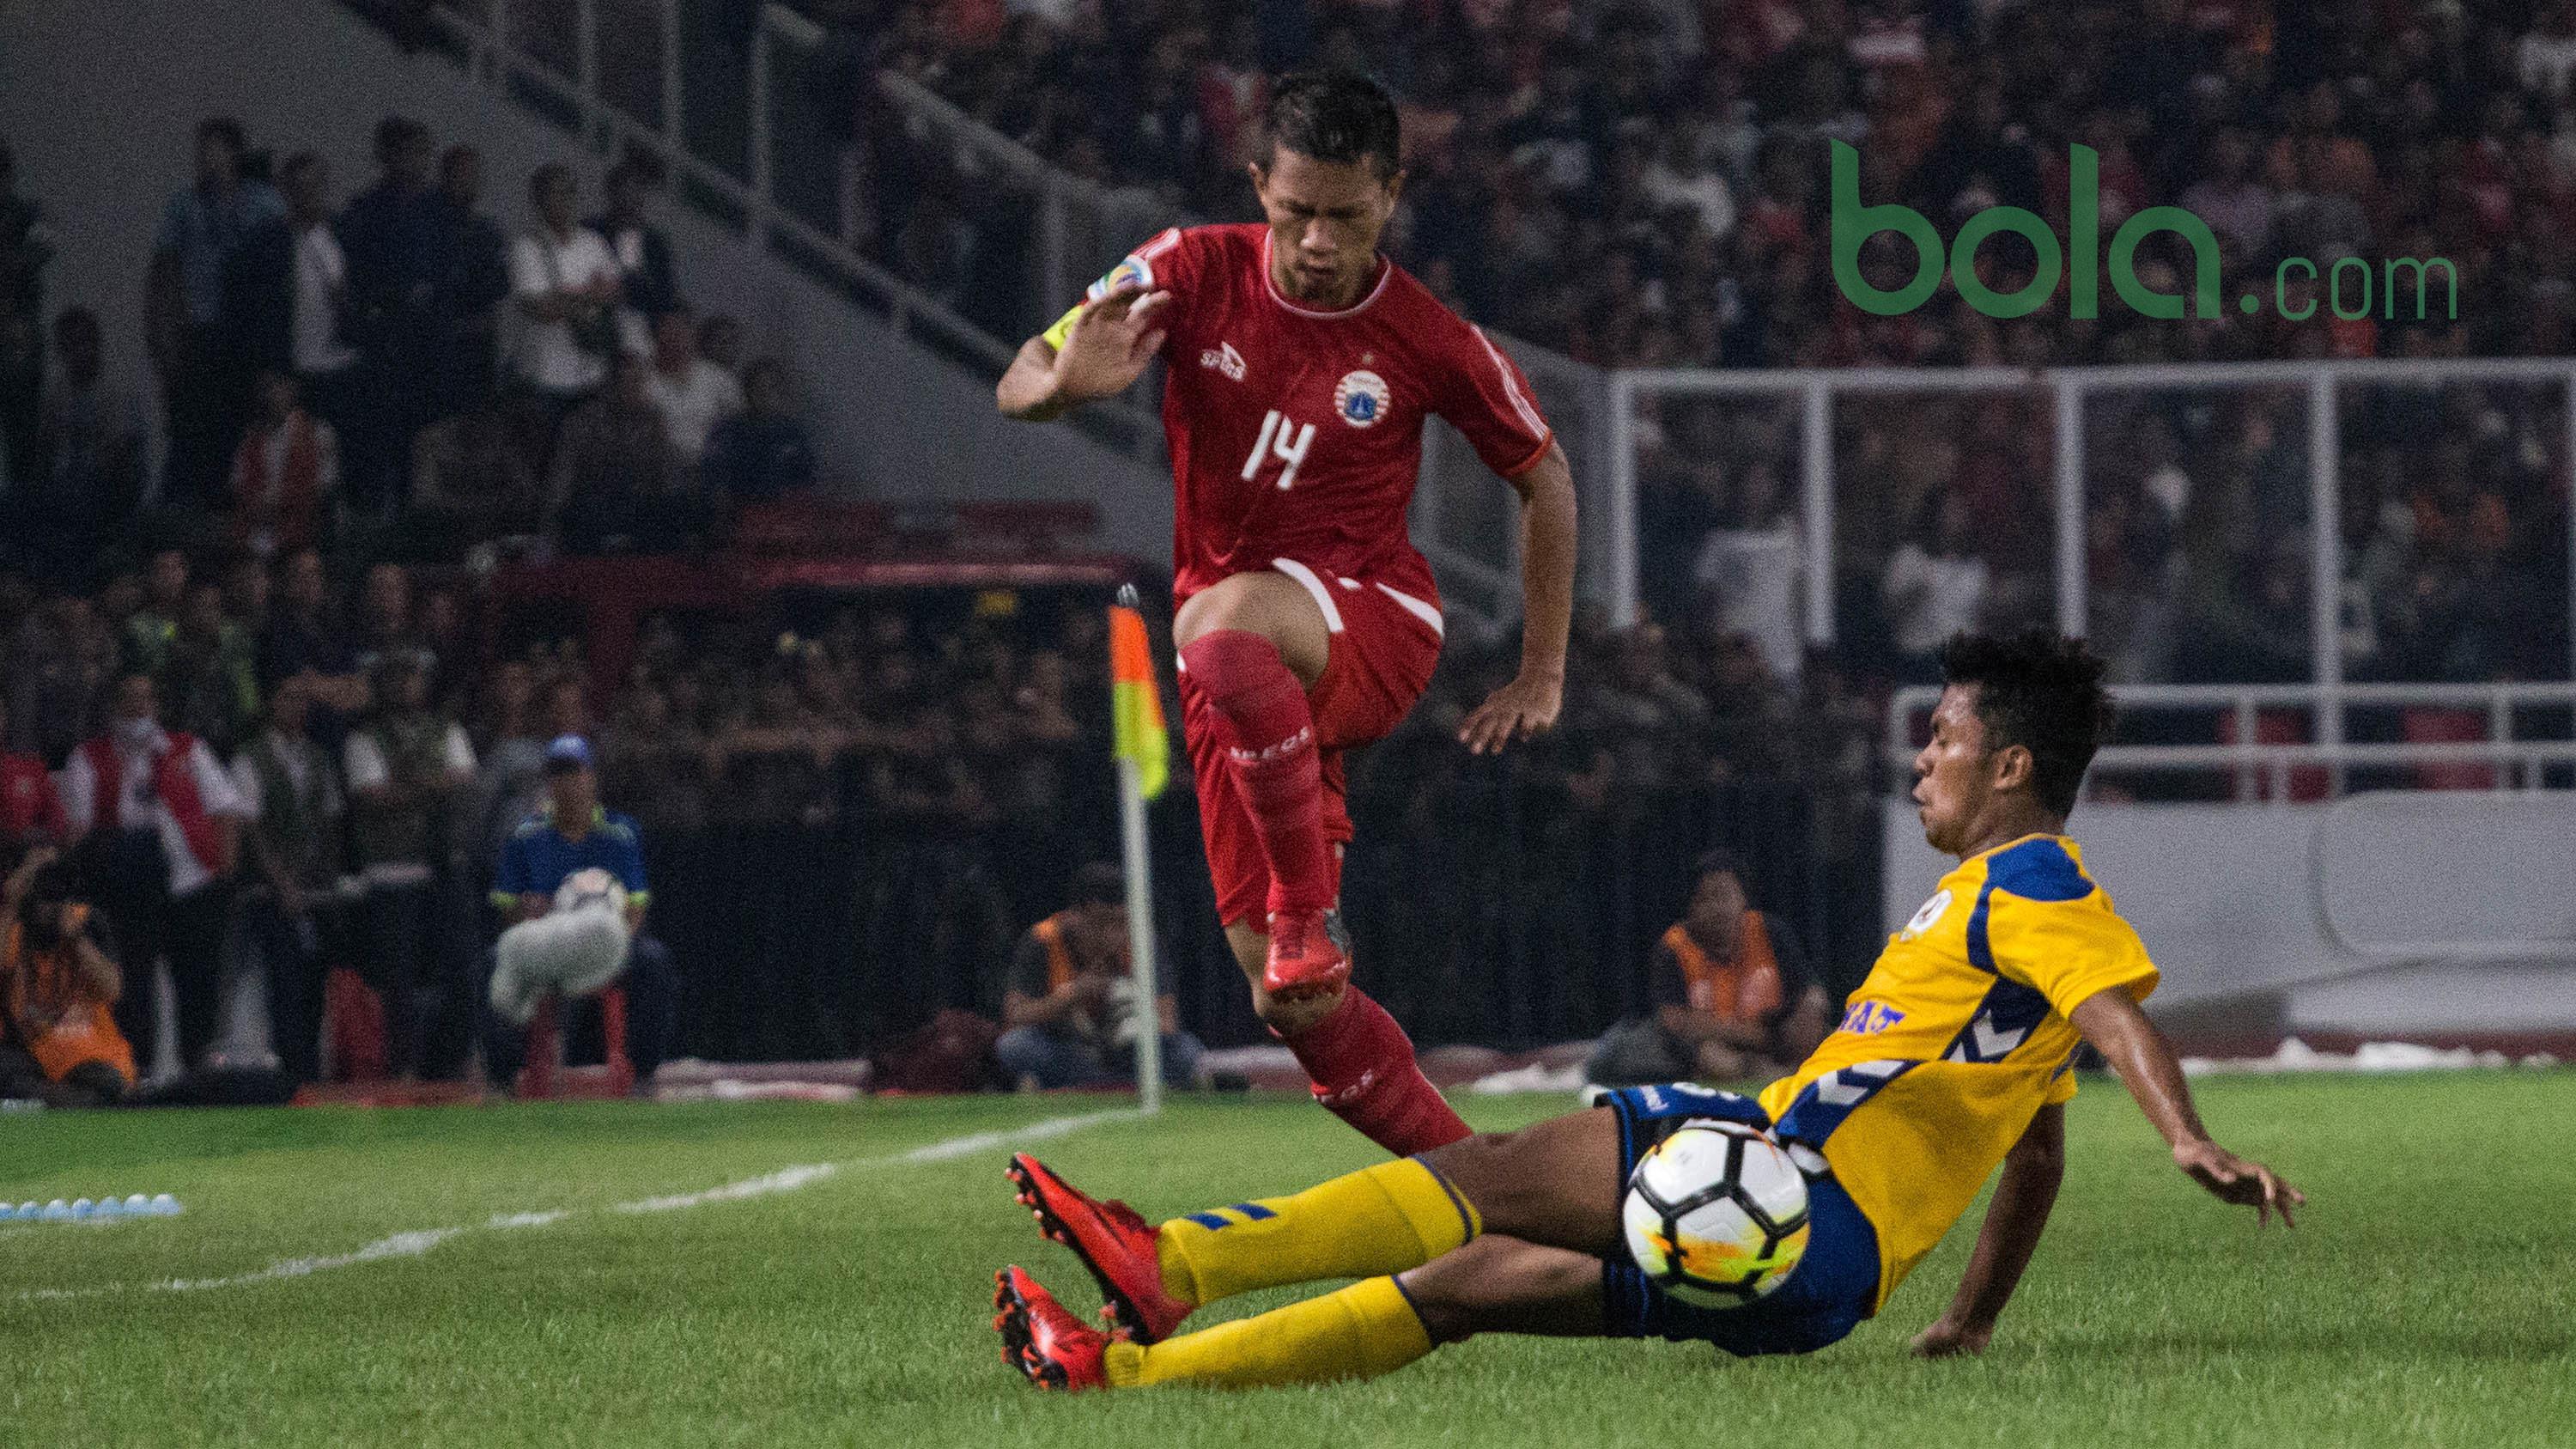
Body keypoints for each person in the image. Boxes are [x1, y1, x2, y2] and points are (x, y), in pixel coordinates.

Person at [992, 630, 2303, 1391]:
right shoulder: (2007, 936)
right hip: (1822, 1278)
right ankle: (1129, 1376)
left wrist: (2186, 1133)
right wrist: (1969, 1316)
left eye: (1944, 737)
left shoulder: (2029, 884)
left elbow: (2123, 1010)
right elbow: (2037, 1151)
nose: (1921, 756)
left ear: (2009, 766)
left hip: (1784, 1184)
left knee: (1487, 1172)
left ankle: (1171, 1263)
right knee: (1467, 1283)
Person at [994, 71, 1578, 1157]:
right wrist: (1069, 387)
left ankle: (1313, 916)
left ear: (1391, 196)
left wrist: (1543, 671)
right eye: (1295, 209)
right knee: (1290, 1006)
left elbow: (1546, 478)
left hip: (1371, 625)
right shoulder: (1183, 269)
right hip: (1238, 669)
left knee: (1218, 622)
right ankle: (1483, 1187)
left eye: (1345, 216)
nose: (1316, 240)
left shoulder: (1425, 335)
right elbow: (1022, 372)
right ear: (1258, 181)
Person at [59, 671, 249, 1078]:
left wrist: (223, 875)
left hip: (190, 878)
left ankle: (198, 1064)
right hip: (124, 880)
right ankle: (136, 1067)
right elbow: (77, 829)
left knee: (197, 976)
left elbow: (227, 810)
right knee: (132, 982)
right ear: (113, 707)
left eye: (146, 699)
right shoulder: (89, 757)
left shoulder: (187, 750)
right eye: (129, 699)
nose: (138, 708)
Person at [480, 735, 677, 1093]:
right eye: (558, 775)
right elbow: (505, 906)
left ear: (591, 778)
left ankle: (644, 1074)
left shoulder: (621, 833)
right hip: (547, 947)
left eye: (575, 773)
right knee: (494, 961)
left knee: (654, 961)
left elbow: (636, 904)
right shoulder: (526, 836)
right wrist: (529, 926)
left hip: (608, 947)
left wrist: (616, 944)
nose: (567, 784)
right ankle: (502, 1078)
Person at [1584, 849, 1829, 1087]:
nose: (1718, 908)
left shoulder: (1770, 932)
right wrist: (1754, 1039)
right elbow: (1676, 1022)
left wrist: (1805, 1018)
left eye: (1725, 895)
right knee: (1700, 1056)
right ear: (1691, 907)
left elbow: (1810, 992)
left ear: (1743, 898)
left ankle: (1793, 1075)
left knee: (1823, 1027)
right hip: (1709, 1050)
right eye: (1706, 898)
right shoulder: (1675, 948)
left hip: (1777, 1041)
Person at [343, 650, 475, 1078]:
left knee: (456, 970)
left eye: (413, 676)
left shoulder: (447, 730)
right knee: (397, 978)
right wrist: (432, 785)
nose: (405, 685)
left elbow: (465, 780)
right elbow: (371, 794)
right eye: (397, 677)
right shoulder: (365, 738)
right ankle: (400, 1066)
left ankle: (452, 1062)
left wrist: (408, 786)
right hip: (392, 872)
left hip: (444, 867)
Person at [145, 118, 283, 508]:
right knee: (193, 425)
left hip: (246, 330)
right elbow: (165, 269)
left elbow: (280, 265)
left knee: (240, 424)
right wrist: (163, 337)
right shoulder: (184, 204)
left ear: (233, 152)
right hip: (202, 328)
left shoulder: (263, 202)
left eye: (213, 148)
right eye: (200, 149)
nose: (203, 157)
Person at [994, 861, 1202, 1091]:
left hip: (1128, 1052)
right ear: (1074, 916)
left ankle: (1090, 1086)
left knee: (1188, 1051)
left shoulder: (1142, 941)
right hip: (1070, 1050)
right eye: (1101, 923)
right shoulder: (1044, 939)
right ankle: (1118, 1086)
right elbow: (1014, 1016)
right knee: (1014, 1045)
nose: (1111, 936)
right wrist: (1070, 997)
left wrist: (1132, 1011)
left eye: (1121, 923)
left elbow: (1167, 1020)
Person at [228, 673, 343, 1087]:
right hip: (270, 893)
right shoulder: (250, 758)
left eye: (302, 700)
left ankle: (310, 1071)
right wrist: (282, 884)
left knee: (313, 986)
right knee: (283, 986)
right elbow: (251, 828)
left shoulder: (319, 758)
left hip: (314, 891)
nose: (297, 707)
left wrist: (321, 880)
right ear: (271, 704)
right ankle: (287, 1074)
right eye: (288, 698)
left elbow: (329, 822)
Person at [0, 845, 132, 1105]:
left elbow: (112, 990)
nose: (48, 894)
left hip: (82, 1050)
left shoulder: (86, 921)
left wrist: (77, 939)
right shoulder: (11, 925)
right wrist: (10, 904)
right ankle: (59, 1098)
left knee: (103, 1081)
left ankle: (58, 1099)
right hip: (26, 1050)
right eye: (39, 881)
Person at [508, 163, 625, 438]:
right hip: (543, 376)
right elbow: (540, 310)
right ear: (539, 200)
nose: (566, 200)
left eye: (570, 192)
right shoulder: (526, 247)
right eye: (557, 193)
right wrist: (589, 294)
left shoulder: (594, 242)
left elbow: (616, 294)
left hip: (590, 374)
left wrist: (565, 295)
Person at [702, 358, 816, 502]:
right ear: (748, 391)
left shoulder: (791, 432)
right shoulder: (729, 430)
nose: (765, 394)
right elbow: (713, 474)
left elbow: (805, 477)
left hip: (781, 511)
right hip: (739, 510)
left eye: (771, 388)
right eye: (758, 387)